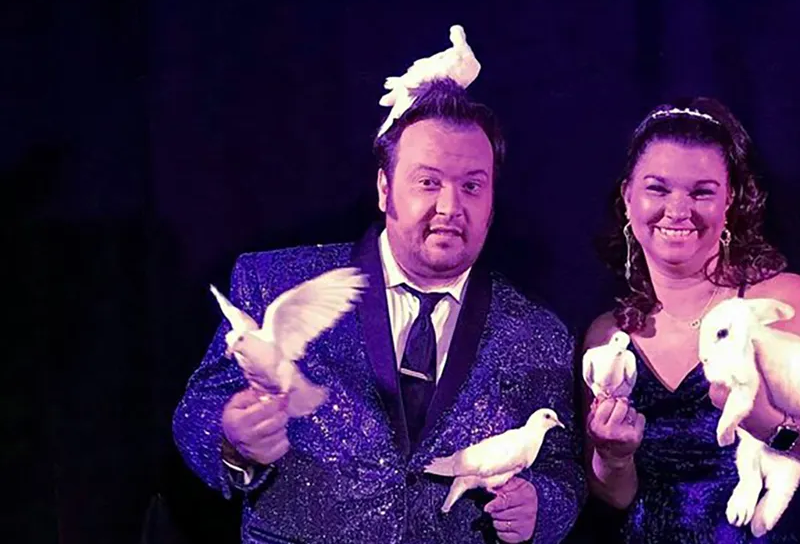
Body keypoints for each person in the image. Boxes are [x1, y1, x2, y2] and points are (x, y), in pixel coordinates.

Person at [172, 59, 585, 541]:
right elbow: (197, 410)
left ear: (492, 201)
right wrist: (231, 438)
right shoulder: (275, 282)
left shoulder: (539, 334)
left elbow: (562, 469)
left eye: (471, 186)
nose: (450, 207)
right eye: (428, 182)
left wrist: (540, 507)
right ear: (385, 188)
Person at [581, 98, 800, 542]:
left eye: (701, 192)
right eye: (657, 188)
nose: (677, 209)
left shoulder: (783, 300)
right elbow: (614, 496)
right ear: (628, 198)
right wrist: (614, 458)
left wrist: (772, 428)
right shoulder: (608, 336)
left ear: (730, 201)